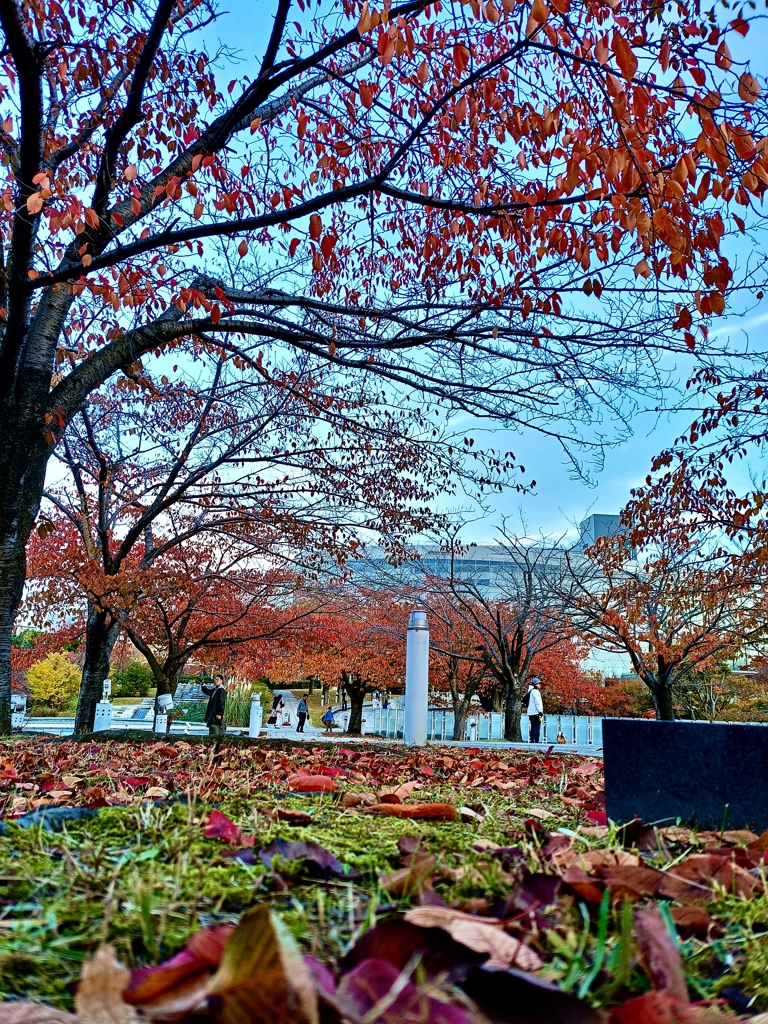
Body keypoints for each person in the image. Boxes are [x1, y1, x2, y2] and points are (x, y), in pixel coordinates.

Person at [525, 678, 544, 743]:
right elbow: (538, 703)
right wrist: (540, 712)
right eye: (538, 683)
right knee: (537, 727)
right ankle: (536, 742)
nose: (539, 685)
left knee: (532, 727)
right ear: (535, 684)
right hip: (536, 712)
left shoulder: (530, 691)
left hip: (531, 713)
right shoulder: (535, 692)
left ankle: (532, 741)